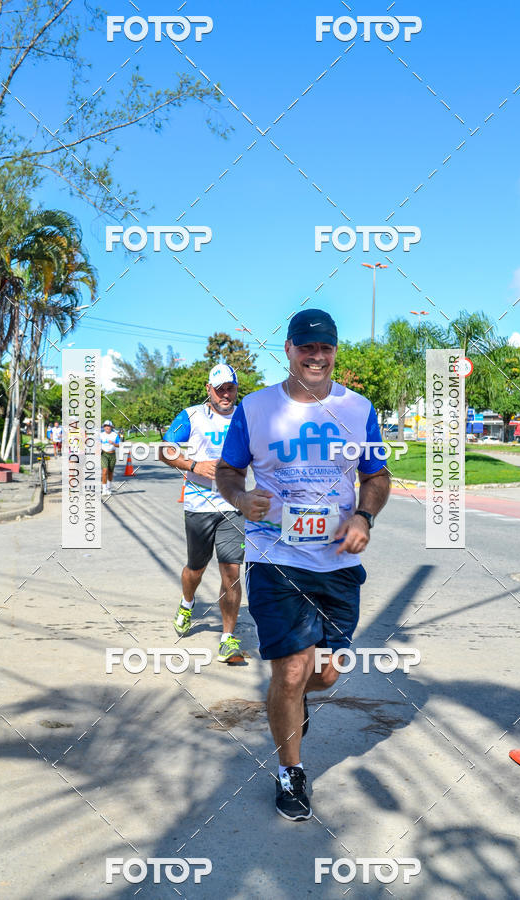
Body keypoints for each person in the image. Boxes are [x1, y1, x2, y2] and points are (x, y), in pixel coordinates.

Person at [216, 309, 391, 821]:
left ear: (335, 352)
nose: (316, 356)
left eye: (326, 348)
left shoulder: (358, 409)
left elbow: (376, 475)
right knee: (291, 671)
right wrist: (240, 496)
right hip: (277, 557)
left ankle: (294, 701)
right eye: (306, 348)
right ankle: (291, 772)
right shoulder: (255, 408)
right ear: (289, 350)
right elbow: (228, 471)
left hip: (336, 560)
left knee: (325, 674)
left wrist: (363, 515)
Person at [159, 363, 246, 664]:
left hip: (233, 506)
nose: (225, 393)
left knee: (232, 571)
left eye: (230, 387)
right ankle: (187, 602)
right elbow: (165, 450)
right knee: (196, 569)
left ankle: (228, 639)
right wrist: (195, 466)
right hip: (198, 504)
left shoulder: (246, 418)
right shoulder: (191, 416)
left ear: (236, 388)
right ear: (209, 389)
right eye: (219, 388)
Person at [101, 420, 120, 496]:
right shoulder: (101, 435)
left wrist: (113, 443)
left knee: (110, 472)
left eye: (108, 426)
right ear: (104, 427)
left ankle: (109, 488)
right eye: (105, 426)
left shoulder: (115, 435)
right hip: (104, 454)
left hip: (112, 454)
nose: (107, 427)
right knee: (105, 471)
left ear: (111, 427)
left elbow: (119, 445)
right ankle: (104, 489)